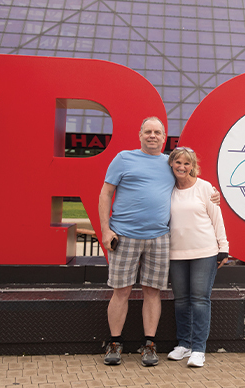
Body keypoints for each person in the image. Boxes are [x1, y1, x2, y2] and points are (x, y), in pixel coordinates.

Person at [98, 117, 219, 367]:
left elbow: (190, 180)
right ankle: (114, 343)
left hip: (159, 238)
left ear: (164, 138)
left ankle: (150, 345)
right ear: (140, 134)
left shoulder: (169, 163)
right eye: (148, 131)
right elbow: (105, 193)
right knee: (121, 291)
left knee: (152, 292)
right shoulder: (123, 158)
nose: (152, 136)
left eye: (157, 132)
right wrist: (105, 230)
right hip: (125, 235)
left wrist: (211, 193)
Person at [165, 147, 229, 368]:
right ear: (171, 164)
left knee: (200, 300)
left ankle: (199, 349)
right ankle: (184, 344)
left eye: (187, 163)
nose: (182, 167)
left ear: (193, 166)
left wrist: (224, 247)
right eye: (178, 163)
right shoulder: (167, 189)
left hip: (204, 252)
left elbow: (216, 218)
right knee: (181, 300)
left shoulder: (205, 188)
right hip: (176, 254)